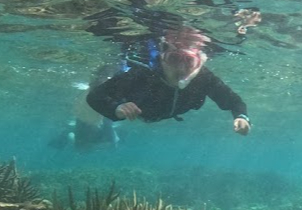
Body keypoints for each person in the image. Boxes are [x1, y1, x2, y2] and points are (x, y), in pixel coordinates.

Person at [86, 28, 251, 135]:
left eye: (189, 61)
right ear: (162, 59)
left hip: (163, 112)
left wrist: (241, 117)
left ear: (199, 62)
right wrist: (116, 108)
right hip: (141, 108)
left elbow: (234, 101)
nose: (181, 68)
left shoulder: (204, 78)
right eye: (174, 59)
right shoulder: (142, 75)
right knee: (105, 78)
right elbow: (94, 97)